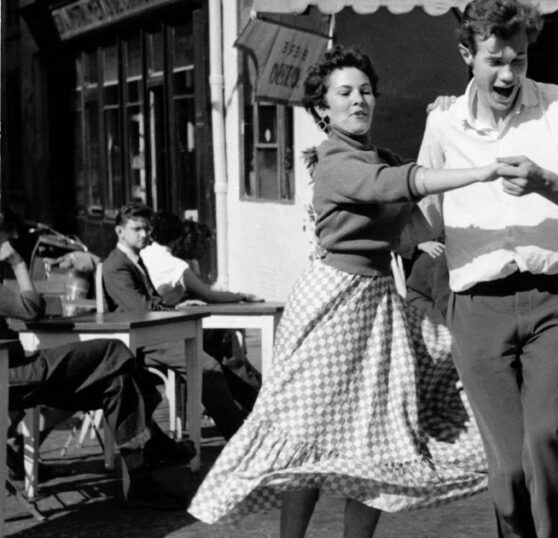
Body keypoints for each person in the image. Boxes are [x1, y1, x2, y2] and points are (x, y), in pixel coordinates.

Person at [188, 45, 500, 538]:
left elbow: (416, 224)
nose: (359, 101)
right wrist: (480, 171)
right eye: (345, 93)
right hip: (334, 302)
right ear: (323, 108)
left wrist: (446, 129)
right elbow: (394, 185)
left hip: (377, 303)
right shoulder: (337, 162)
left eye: (366, 91)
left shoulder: (380, 157)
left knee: (377, 437)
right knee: (307, 430)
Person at [417, 1, 558, 535]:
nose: (508, 74)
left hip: (555, 303)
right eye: (494, 61)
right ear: (467, 54)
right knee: (509, 470)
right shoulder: (443, 123)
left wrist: (548, 183)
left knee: (544, 438)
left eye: (520, 59)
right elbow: (424, 215)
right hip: (477, 309)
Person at [0, 209, 193, 509]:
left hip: (18, 372)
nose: (11, 240)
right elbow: (31, 308)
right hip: (14, 373)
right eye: (5, 234)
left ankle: (142, 479)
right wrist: (17, 263)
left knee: (116, 381)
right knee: (112, 350)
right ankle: (155, 442)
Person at [102, 202, 252, 440]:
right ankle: (238, 438)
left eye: (147, 229)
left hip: (153, 333)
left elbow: (150, 302)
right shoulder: (116, 265)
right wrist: (173, 308)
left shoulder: (135, 260)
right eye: (137, 229)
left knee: (216, 359)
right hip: (139, 339)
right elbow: (140, 309)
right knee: (208, 367)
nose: (144, 235)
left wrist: (176, 306)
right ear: (120, 232)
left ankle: (246, 424)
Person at [141, 211, 263, 410]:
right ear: (178, 236)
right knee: (227, 344)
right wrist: (241, 296)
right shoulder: (176, 265)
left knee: (226, 348)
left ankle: (247, 398)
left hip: (154, 325)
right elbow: (209, 295)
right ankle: (255, 402)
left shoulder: (143, 256)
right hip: (175, 330)